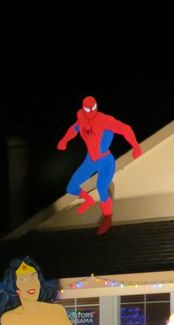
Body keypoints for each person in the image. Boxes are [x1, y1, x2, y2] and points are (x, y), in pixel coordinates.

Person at [58, 96, 142, 235]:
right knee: (71, 187)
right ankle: (88, 200)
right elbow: (73, 129)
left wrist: (136, 147)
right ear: (83, 109)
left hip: (105, 161)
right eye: (87, 109)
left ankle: (107, 217)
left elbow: (125, 129)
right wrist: (64, 141)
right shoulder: (81, 119)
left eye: (93, 108)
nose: (90, 112)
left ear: (96, 106)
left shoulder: (104, 120)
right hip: (90, 161)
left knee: (101, 187)